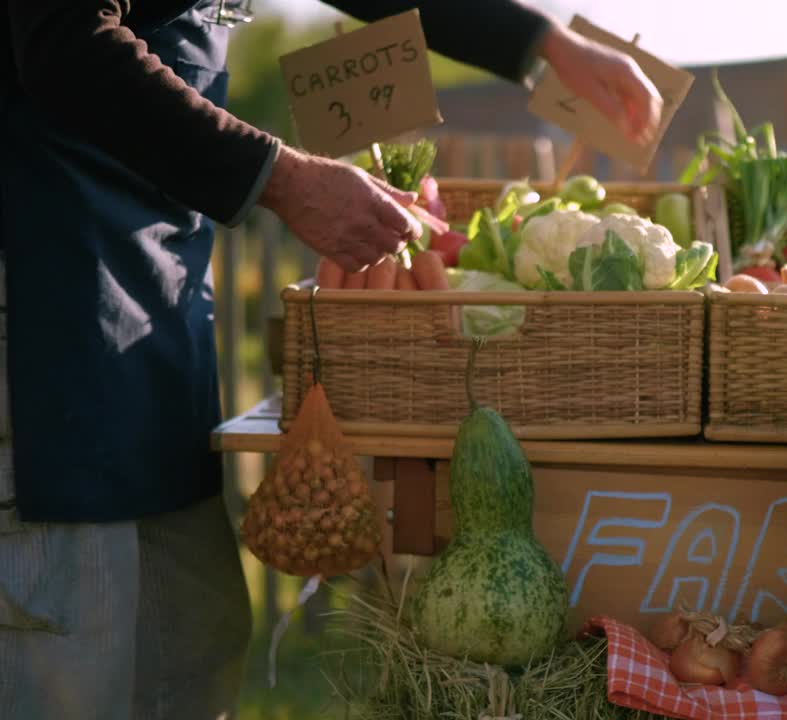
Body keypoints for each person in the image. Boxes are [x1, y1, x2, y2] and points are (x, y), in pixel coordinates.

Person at [0, 1, 661, 718]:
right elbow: (63, 45)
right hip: (48, 316)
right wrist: (282, 177)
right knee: (76, 664)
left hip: (149, 314)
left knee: (190, 651)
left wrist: (541, 41)